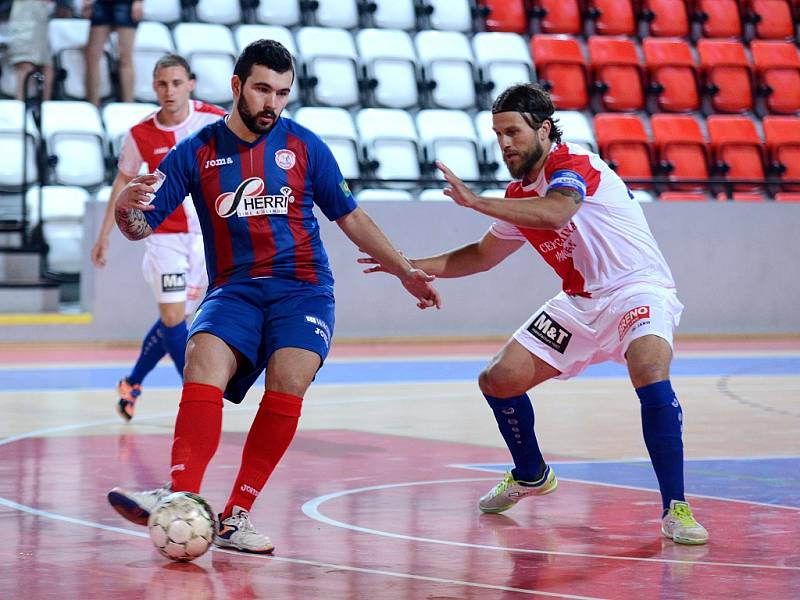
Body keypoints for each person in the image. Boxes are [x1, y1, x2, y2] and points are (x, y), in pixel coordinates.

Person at [106, 39, 440, 554]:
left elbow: (351, 216)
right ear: (238, 86)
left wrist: (404, 270)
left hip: (303, 290)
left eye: (282, 93)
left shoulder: (305, 146)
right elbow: (140, 225)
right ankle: (182, 497)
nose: (272, 104)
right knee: (201, 359)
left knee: (289, 378)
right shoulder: (196, 151)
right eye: (262, 89)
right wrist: (126, 211)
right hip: (234, 290)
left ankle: (236, 516)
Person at [360, 83, 708, 545]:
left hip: (635, 289)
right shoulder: (518, 193)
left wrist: (475, 200)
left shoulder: (572, 165)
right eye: (497, 133)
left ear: (544, 129)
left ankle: (676, 508)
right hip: (580, 302)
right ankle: (531, 474)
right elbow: (482, 256)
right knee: (498, 380)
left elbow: (558, 213)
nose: (504, 143)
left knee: (648, 369)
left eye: (512, 132)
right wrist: (406, 266)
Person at [91, 53, 226, 421]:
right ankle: (197, 398)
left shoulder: (214, 120)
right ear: (153, 87)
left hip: (203, 236)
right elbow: (123, 183)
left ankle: (131, 382)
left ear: (191, 84)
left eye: (177, 83)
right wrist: (105, 235)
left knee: (179, 315)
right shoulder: (140, 134)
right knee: (172, 320)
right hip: (163, 235)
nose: (170, 91)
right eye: (163, 84)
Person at [6, 0, 73, 101]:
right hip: (25, 10)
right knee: (24, 62)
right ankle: (20, 108)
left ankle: (45, 107)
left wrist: (63, 5)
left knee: (46, 63)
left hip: (45, 13)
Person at [82, 0, 141, 105]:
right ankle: (93, 105)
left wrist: (138, 2)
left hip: (126, 3)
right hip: (102, 3)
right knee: (92, 56)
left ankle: (129, 104)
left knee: (125, 58)